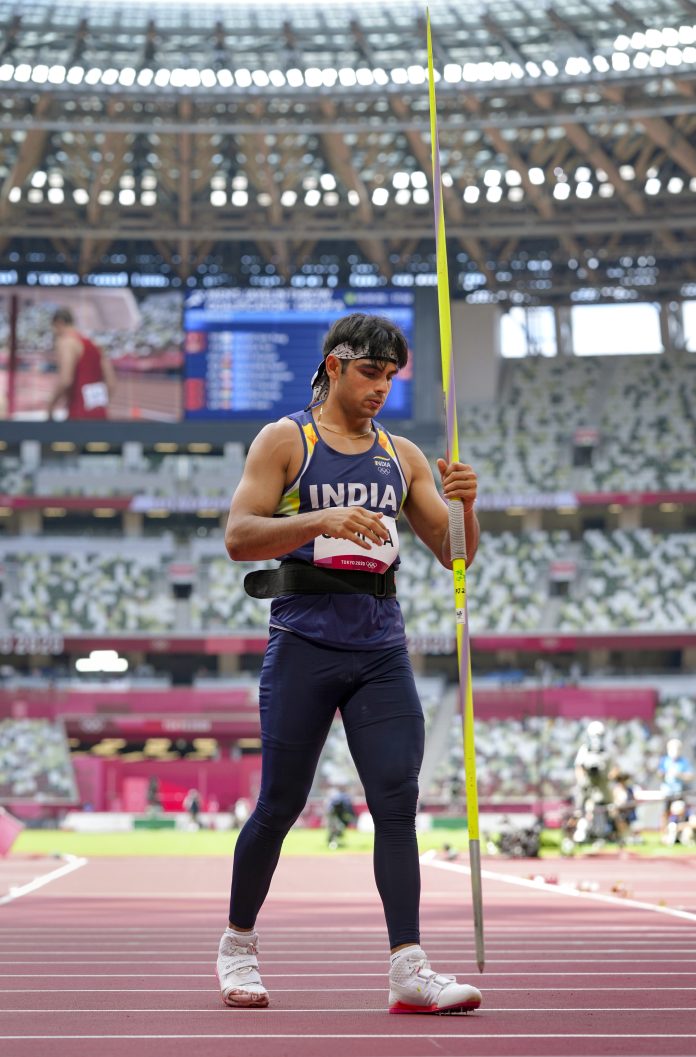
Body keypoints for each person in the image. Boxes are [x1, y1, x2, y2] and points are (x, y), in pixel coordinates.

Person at [216, 312, 482, 1015]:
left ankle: (409, 967)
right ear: (335, 365)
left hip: (380, 651)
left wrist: (468, 506)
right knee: (279, 803)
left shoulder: (403, 455)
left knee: (396, 802)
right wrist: (317, 521)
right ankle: (238, 945)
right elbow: (239, 536)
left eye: (391, 376)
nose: (381, 389)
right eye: (370, 372)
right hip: (303, 643)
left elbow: (455, 553)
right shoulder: (286, 440)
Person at [47, 307, 116, 419]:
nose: (55, 333)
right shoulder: (95, 344)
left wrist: (51, 405)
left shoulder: (66, 342)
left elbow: (65, 380)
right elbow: (112, 383)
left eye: (54, 328)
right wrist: (98, 405)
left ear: (59, 323)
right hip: (100, 413)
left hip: (78, 412)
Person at [657, 738, 693, 831]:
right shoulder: (664, 760)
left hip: (679, 791)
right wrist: (663, 773)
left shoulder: (684, 762)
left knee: (681, 811)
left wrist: (679, 775)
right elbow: (659, 773)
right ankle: (664, 832)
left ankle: (680, 831)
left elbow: (691, 775)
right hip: (667, 791)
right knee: (665, 812)